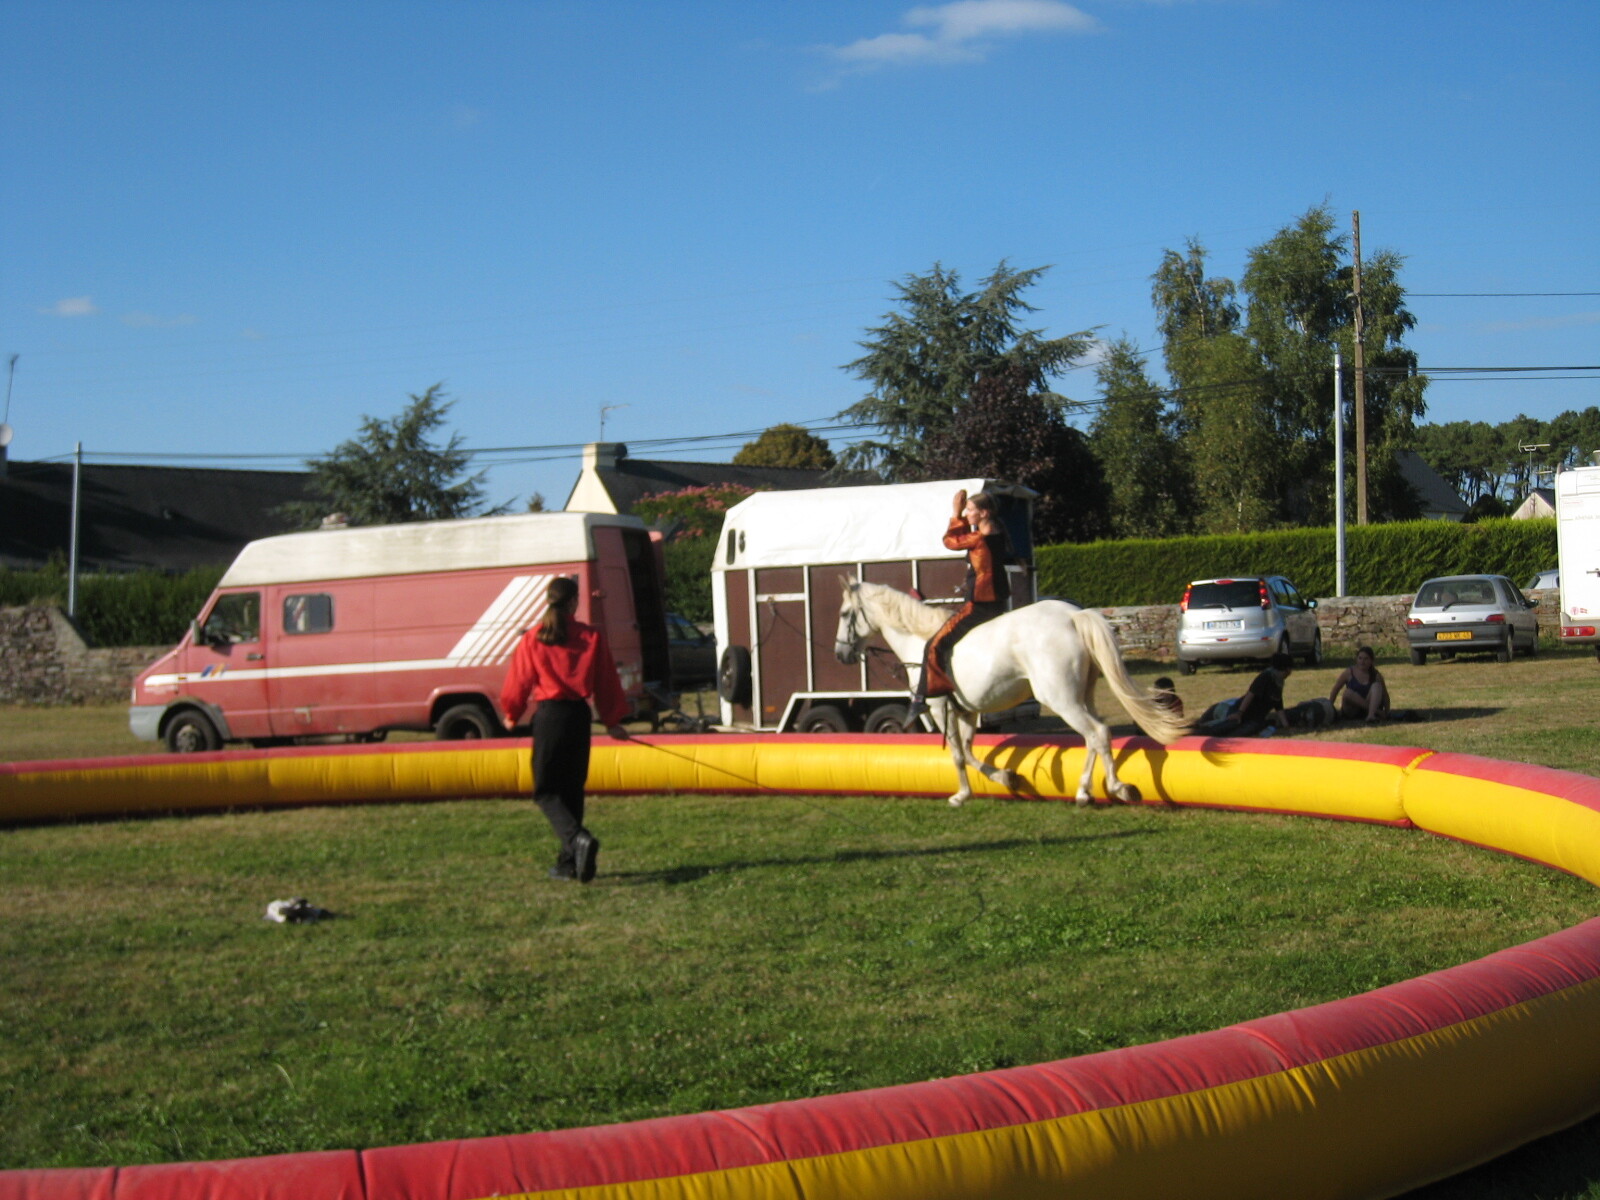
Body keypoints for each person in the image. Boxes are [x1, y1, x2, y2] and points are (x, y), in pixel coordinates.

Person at [500, 576, 630, 883]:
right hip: (578, 717)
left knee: (546, 791)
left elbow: (519, 680)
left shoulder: (533, 638)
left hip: (550, 717)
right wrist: (612, 721)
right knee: (572, 790)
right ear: (573, 602)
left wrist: (512, 713)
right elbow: (607, 682)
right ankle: (570, 863)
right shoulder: (591, 637)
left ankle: (577, 840)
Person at [906, 489, 1017, 721]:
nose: (967, 514)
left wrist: (955, 514)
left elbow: (950, 542)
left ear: (984, 513)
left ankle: (924, 697)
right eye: (966, 511)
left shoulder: (979, 538)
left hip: (979, 604)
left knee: (933, 646)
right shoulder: (995, 532)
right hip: (998, 601)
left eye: (970, 510)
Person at [1197, 653, 1294, 738]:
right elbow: (1251, 694)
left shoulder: (1279, 682)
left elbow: (1278, 704)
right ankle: (1203, 731)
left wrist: (1286, 725)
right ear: (1287, 669)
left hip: (1255, 718)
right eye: (1290, 669)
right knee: (1230, 725)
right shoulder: (1266, 676)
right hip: (1243, 711)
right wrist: (1239, 713)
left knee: (1245, 731)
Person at [1328, 646, 1390, 724]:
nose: (1362, 662)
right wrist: (1329, 707)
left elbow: (1385, 695)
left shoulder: (1376, 675)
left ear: (1371, 661)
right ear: (1356, 659)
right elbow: (1335, 690)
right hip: (1351, 710)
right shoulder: (1349, 672)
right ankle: (1377, 712)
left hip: (1367, 710)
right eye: (1360, 658)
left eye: (1366, 659)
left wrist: (1387, 712)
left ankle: (1371, 716)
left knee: (1377, 686)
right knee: (1347, 693)